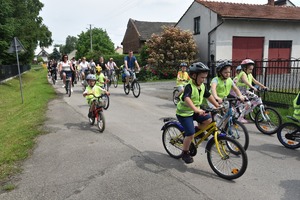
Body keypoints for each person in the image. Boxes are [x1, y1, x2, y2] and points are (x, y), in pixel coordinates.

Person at [176, 62, 219, 164]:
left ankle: (196, 133)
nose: (204, 80)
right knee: (190, 134)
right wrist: (196, 109)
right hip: (184, 113)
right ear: (194, 76)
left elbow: (209, 96)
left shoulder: (202, 86)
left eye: (205, 78)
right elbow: (186, 98)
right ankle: (185, 152)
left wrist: (217, 105)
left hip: (195, 111)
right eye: (202, 77)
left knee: (208, 120)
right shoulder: (189, 86)